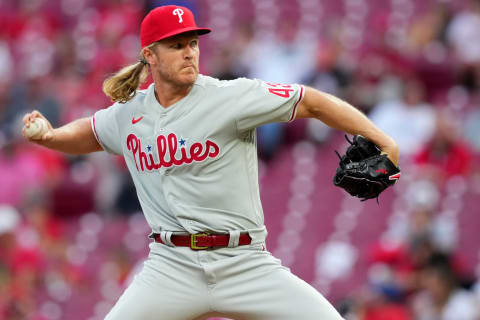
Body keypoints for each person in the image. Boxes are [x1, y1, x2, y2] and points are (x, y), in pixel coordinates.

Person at [22, 5, 399, 320]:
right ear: (150, 55)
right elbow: (91, 131)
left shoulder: (230, 96)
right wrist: (51, 137)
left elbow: (312, 101)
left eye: (192, 43)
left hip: (244, 262)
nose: (189, 52)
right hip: (171, 266)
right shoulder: (129, 113)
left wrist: (382, 140)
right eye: (176, 45)